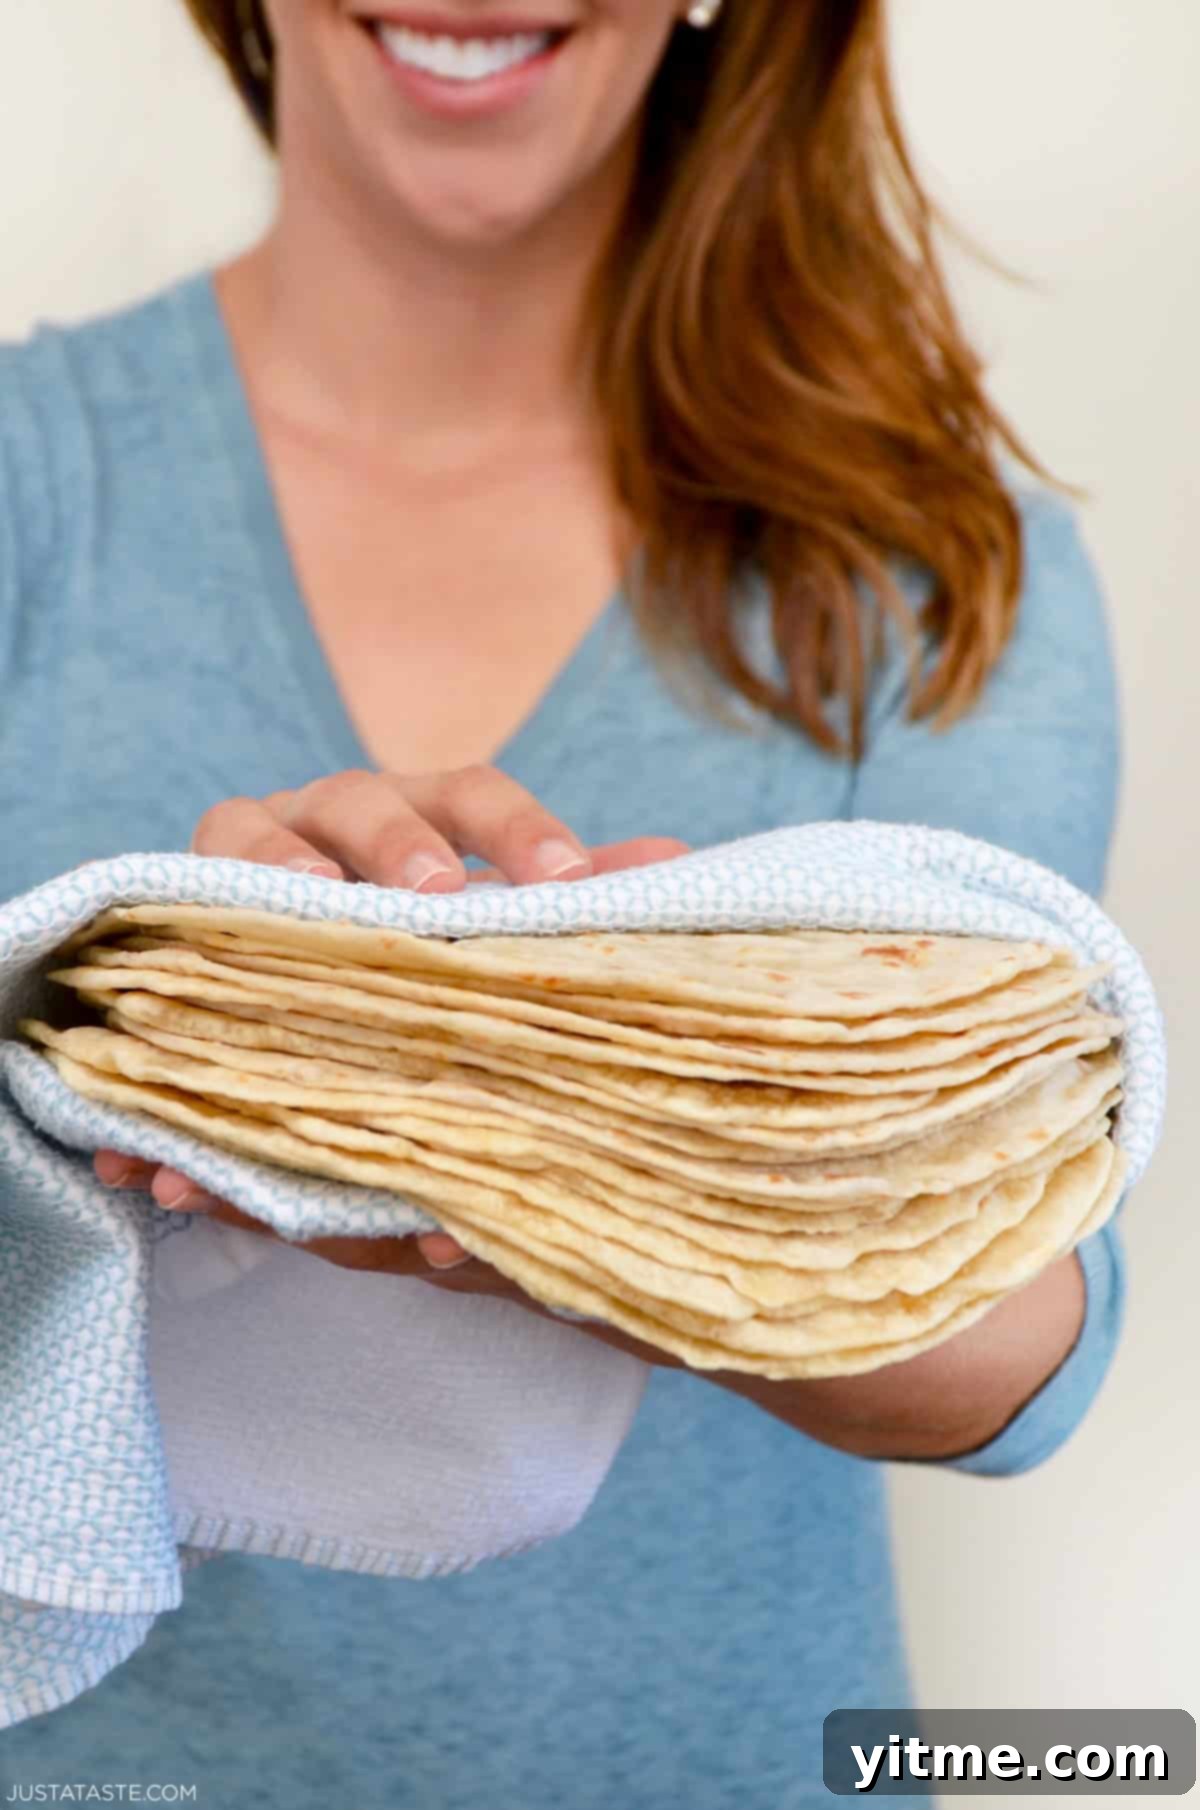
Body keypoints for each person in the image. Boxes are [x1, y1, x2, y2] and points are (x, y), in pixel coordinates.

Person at [0, 0, 1125, 1803]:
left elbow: (1029, 1331)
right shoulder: (29, 488)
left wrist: (565, 1156)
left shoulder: (923, 568)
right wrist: (162, 1028)